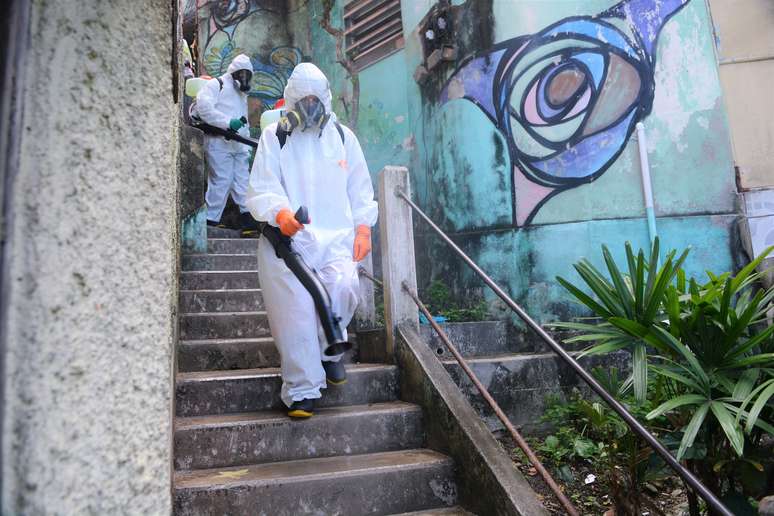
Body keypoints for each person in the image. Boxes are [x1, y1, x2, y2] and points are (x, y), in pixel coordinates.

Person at [246, 63, 378, 419]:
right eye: (302, 99)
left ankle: (328, 352)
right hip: (289, 244)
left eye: (314, 98)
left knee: (346, 287)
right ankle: (303, 390)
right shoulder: (275, 136)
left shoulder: (343, 137)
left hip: (337, 239)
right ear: (290, 100)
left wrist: (364, 227)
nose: (309, 106)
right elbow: (262, 185)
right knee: (297, 314)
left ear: (324, 99)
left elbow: (360, 188)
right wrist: (280, 214)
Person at [194, 53, 258, 235]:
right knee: (221, 180)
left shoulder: (241, 94)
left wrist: (245, 147)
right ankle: (210, 221)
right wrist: (227, 122)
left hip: (237, 145)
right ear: (233, 73)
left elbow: (242, 122)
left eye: (247, 75)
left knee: (242, 182)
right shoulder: (217, 85)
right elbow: (203, 108)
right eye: (241, 74)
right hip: (218, 142)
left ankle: (248, 221)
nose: (244, 78)